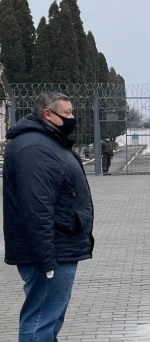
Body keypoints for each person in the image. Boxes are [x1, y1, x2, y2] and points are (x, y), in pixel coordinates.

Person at [3, 92, 94, 341]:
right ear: (47, 114)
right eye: (66, 113)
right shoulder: (35, 147)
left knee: (49, 318)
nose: (72, 118)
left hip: (59, 246)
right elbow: (36, 207)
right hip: (50, 251)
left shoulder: (47, 142)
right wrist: (46, 260)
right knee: (40, 322)